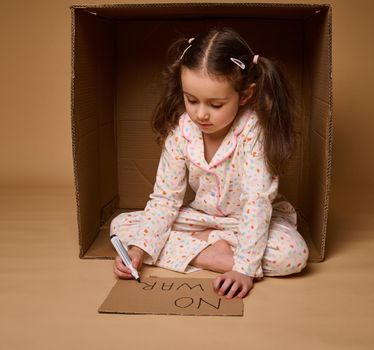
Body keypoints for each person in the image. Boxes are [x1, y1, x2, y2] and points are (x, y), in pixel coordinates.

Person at [110, 27, 309, 299]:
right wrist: (138, 251)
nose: (200, 114)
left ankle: (207, 250)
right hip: (199, 219)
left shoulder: (253, 132)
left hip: (247, 223)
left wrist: (244, 269)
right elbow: (165, 199)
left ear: (246, 95)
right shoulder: (181, 131)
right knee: (121, 228)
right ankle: (210, 254)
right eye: (191, 100)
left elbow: (256, 200)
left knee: (293, 255)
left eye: (215, 105)